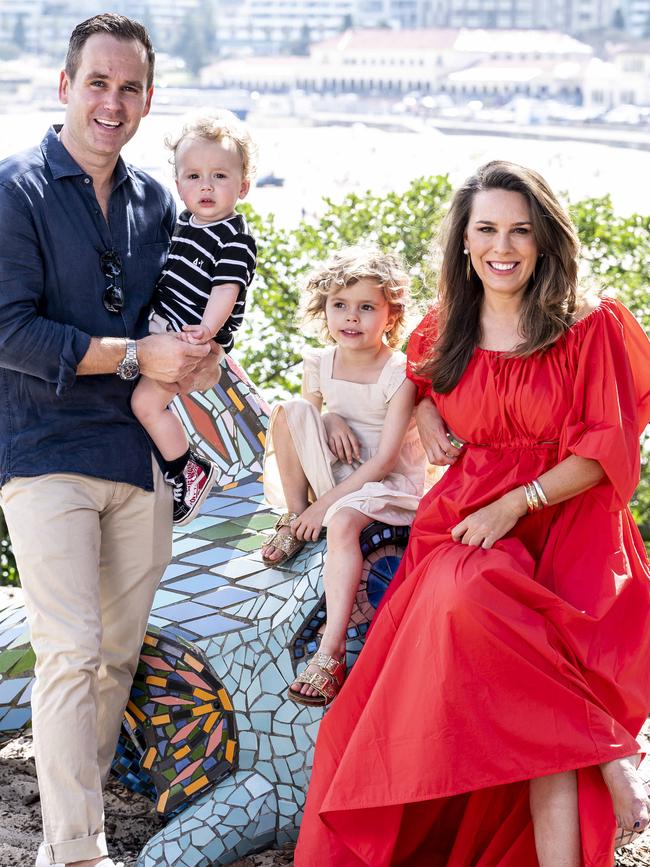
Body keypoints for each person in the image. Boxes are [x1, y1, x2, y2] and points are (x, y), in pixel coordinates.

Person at [295, 161, 650, 866]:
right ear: (464, 240)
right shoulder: (443, 328)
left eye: (520, 230)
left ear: (545, 239)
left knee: (523, 670)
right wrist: (425, 408)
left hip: (565, 520)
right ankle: (610, 752)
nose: (503, 246)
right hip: (466, 515)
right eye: (486, 228)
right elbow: (417, 378)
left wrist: (520, 502)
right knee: (466, 595)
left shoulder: (589, 324)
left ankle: (602, 761)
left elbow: (605, 448)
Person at [0, 14, 222, 867]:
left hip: (137, 457)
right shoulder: (14, 190)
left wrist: (193, 361)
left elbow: (170, 323)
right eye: (98, 82)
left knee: (115, 658)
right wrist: (136, 354)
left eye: (130, 88)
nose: (112, 102)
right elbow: (11, 331)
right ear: (65, 86)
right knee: (71, 649)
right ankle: (78, 848)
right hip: (43, 452)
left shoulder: (157, 202)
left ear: (147, 101)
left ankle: (74, 835)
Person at [262, 247, 427, 706]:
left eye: (366, 307)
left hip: (387, 481)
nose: (351, 318)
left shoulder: (400, 373)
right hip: (340, 471)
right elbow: (303, 424)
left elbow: (383, 461)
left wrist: (325, 505)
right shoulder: (320, 363)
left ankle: (330, 652)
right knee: (290, 410)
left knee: (343, 519)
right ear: (325, 309)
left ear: (391, 315)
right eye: (340, 305)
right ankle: (294, 520)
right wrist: (331, 418)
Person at [132, 110, 258, 525]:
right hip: (164, 326)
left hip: (188, 337)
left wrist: (208, 330)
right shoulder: (183, 223)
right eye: (193, 176)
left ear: (243, 186)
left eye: (219, 177)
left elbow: (227, 288)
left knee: (145, 403)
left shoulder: (235, 238)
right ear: (178, 185)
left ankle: (186, 468)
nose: (206, 185)